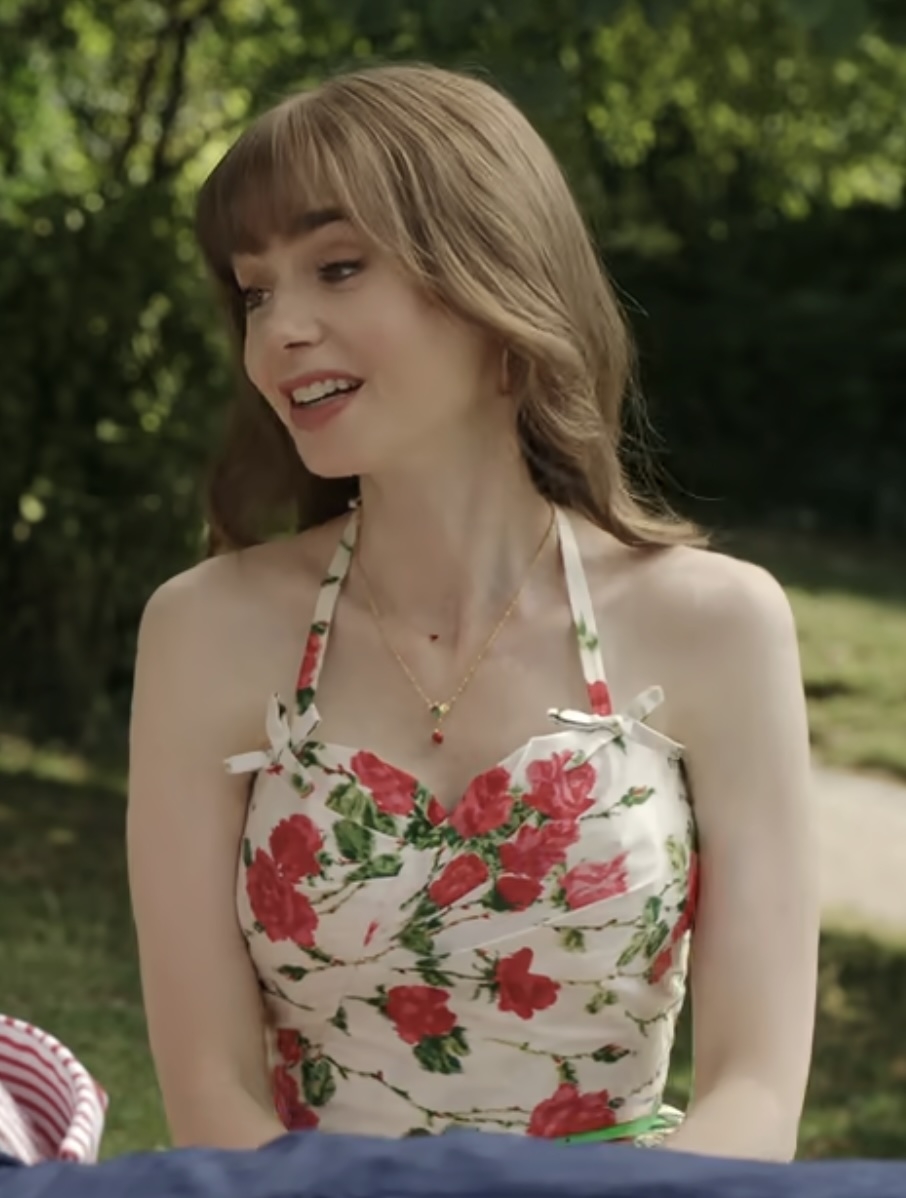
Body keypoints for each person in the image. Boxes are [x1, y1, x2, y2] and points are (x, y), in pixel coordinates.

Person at [126, 63, 818, 1159]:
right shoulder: (202, 630)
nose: (279, 331)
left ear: (493, 276)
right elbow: (211, 1093)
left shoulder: (719, 624)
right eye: (256, 290)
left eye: (337, 267)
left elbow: (756, 1088)